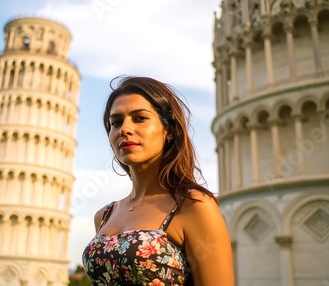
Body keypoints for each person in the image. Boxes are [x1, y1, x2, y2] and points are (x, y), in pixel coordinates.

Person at [82, 76, 234, 285]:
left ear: (169, 130)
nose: (124, 129)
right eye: (115, 122)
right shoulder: (104, 216)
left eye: (140, 118)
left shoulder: (193, 206)